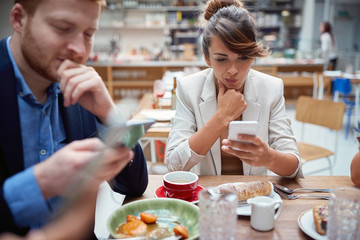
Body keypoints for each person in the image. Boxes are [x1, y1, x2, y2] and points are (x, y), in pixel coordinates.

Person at [0, 0, 148, 235]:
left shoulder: (79, 90)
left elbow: (134, 185)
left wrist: (109, 113)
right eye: (62, 28)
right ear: (19, 19)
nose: (79, 50)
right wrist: (40, 183)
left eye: (88, 34)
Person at [165, 0, 302, 178]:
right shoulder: (190, 89)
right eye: (222, 59)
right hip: (207, 198)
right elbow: (174, 166)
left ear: (253, 57)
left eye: (243, 58)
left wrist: (269, 158)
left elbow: (294, 169)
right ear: (207, 58)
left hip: (253, 196)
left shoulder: (271, 89)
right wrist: (221, 118)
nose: (233, 70)